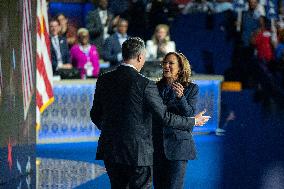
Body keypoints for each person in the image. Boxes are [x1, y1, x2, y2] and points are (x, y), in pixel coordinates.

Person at [90, 37, 210, 189]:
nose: (166, 66)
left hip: (111, 149)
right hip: (138, 151)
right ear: (140, 57)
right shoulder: (145, 84)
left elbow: (95, 114)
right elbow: (165, 117)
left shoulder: (103, 79)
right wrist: (193, 121)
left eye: (171, 63)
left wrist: (114, 131)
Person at [153, 52, 199, 189]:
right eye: (165, 63)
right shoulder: (154, 87)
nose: (166, 66)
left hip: (178, 147)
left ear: (180, 67)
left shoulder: (191, 88)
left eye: (171, 63)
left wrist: (181, 98)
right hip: (157, 146)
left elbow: (189, 115)